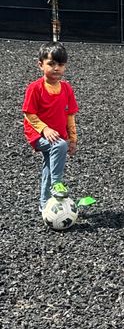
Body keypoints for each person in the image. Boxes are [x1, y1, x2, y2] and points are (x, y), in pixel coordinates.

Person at [22, 42, 79, 211]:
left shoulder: (67, 89)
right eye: (51, 64)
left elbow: (70, 115)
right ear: (40, 64)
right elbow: (29, 113)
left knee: (49, 164)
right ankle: (56, 184)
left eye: (60, 65)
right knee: (59, 145)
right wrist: (44, 129)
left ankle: (44, 204)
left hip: (57, 135)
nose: (56, 68)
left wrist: (73, 138)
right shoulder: (35, 88)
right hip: (37, 134)